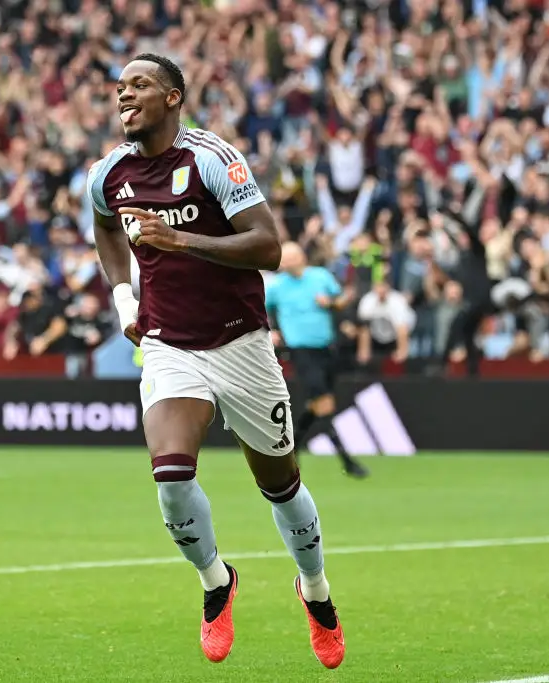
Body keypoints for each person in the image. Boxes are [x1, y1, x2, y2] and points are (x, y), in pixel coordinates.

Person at [90, 54, 345, 668]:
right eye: (120, 88)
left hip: (242, 345)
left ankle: (315, 590)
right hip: (169, 344)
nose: (125, 95)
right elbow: (105, 228)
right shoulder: (108, 174)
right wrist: (125, 300)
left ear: (173, 97)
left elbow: (268, 247)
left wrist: (180, 239)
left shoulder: (212, 158)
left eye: (140, 85)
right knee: (171, 476)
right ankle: (215, 582)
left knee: (280, 486)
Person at [267, 242, 368, 479]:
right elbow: (259, 309)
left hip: (326, 349)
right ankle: (347, 460)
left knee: (315, 405)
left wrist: (330, 303)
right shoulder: (276, 286)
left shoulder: (320, 276)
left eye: (290, 257)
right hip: (301, 351)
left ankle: (290, 452)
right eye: (283, 258)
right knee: (324, 404)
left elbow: (341, 300)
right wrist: (270, 330)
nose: (285, 262)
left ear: (301, 257)